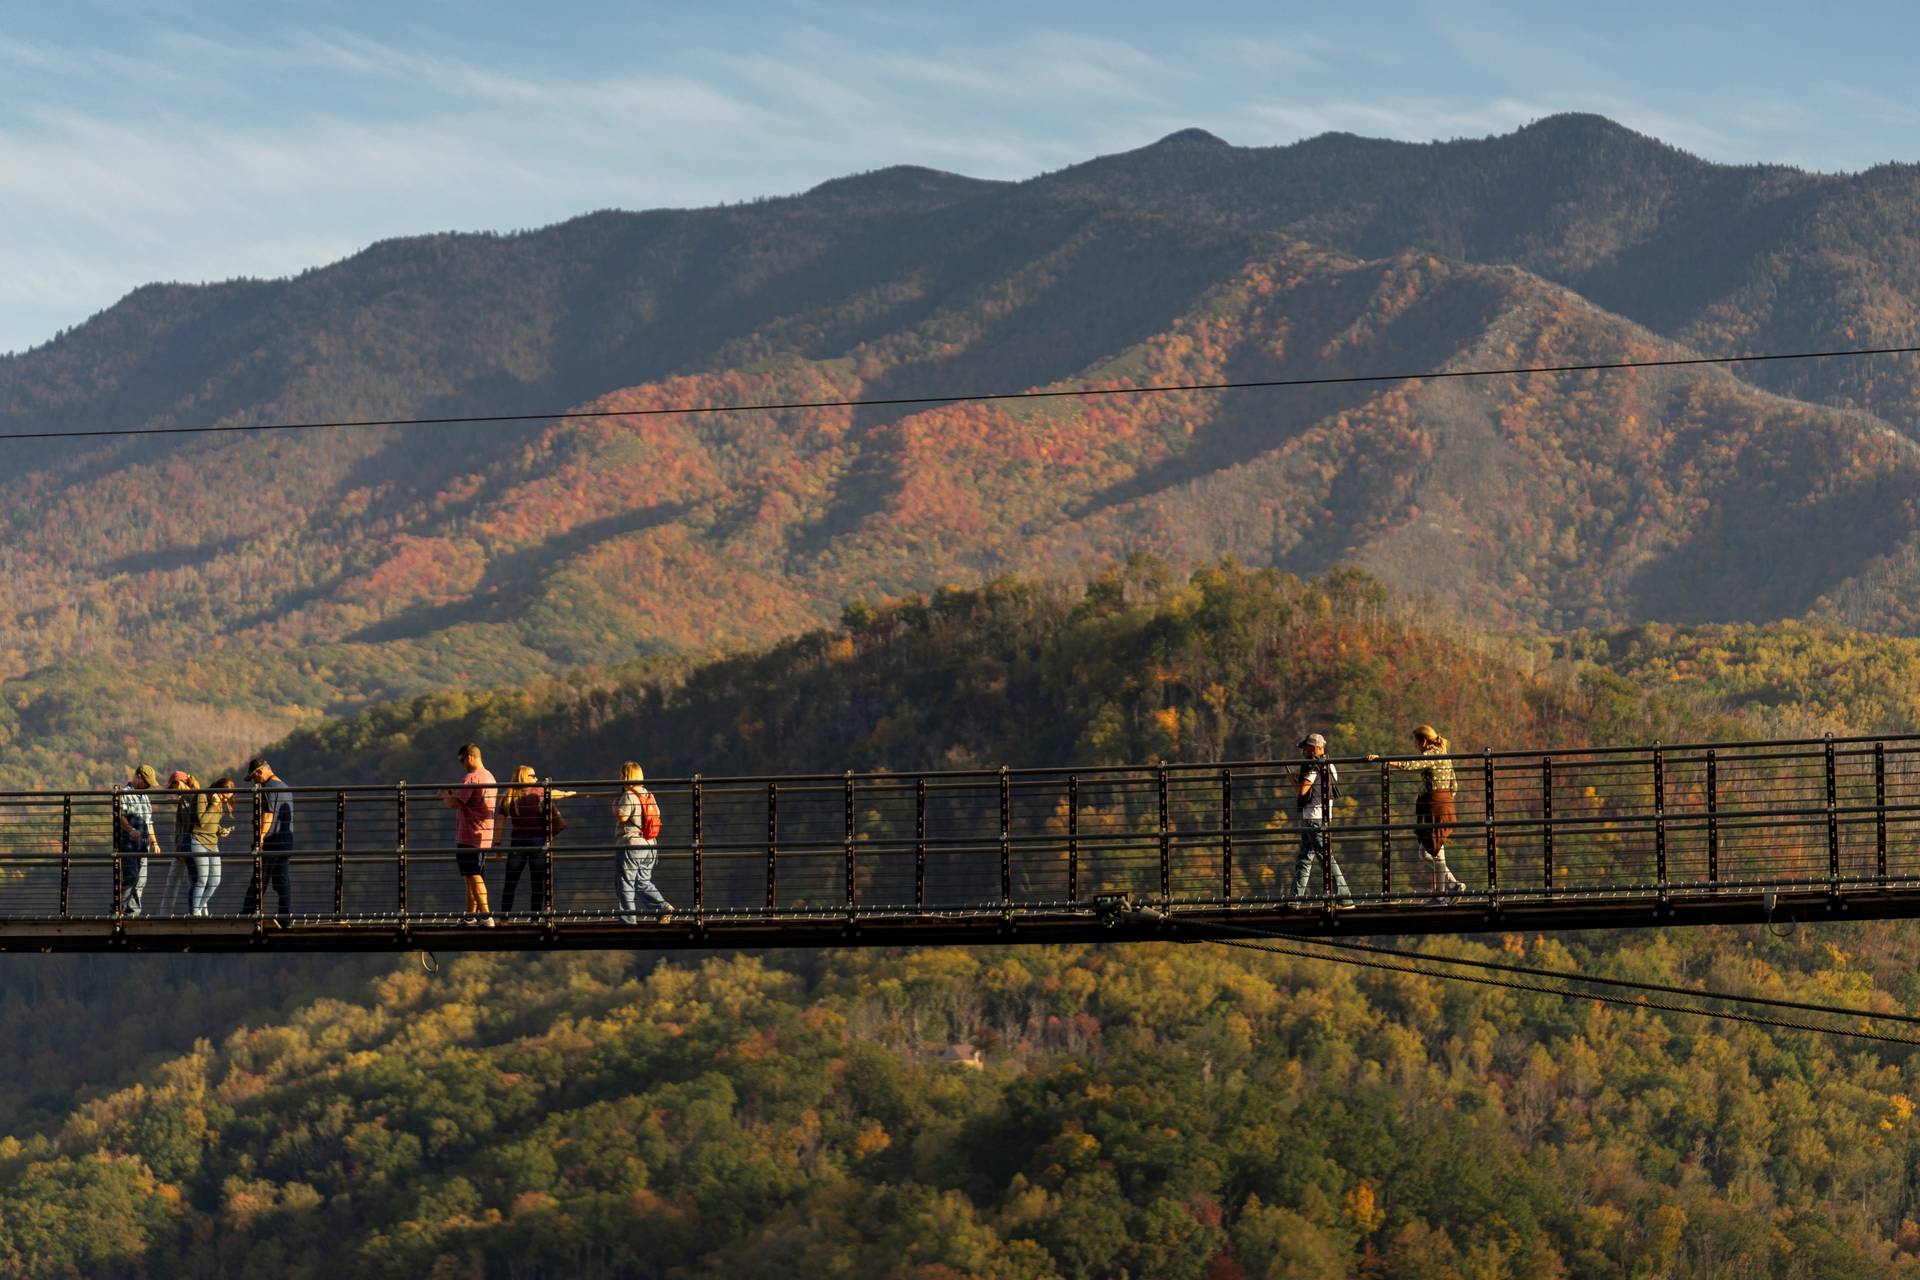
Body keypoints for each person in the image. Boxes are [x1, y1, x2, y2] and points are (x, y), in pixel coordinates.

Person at [1369, 724, 1466, 900]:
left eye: (1416, 742)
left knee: (1436, 851)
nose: (1415, 746)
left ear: (1424, 741)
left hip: (1434, 804)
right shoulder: (1444, 754)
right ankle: (1453, 885)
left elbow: (1409, 764)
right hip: (1442, 803)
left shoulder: (1431, 755)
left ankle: (1440, 897)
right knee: (1426, 852)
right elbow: (1454, 785)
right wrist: (1444, 800)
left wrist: (1384, 760)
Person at [497, 765, 577, 917]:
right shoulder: (539, 792)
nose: (536, 778)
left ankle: (504, 918)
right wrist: (568, 794)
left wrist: (497, 845)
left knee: (510, 882)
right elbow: (553, 793)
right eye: (532, 776)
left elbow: (500, 822)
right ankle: (535, 918)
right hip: (537, 842)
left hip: (517, 843)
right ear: (524, 777)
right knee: (537, 882)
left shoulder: (508, 796)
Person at [1291, 733, 1353, 908]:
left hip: (1314, 818)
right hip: (1319, 817)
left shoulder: (1313, 766)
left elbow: (1302, 790)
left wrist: (1291, 780)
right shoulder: (1329, 765)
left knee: (1324, 857)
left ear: (1315, 749)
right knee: (1305, 858)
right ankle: (1294, 900)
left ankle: (1345, 898)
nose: (1303, 752)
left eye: (1305, 748)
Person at [440, 742, 497, 927]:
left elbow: (454, 803)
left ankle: (486, 915)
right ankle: (470, 917)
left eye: (462, 760)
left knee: (473, 875)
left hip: (469, 834)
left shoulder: (471, 778)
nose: (462, 764)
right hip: (484, 834)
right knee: (471, 875)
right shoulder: (490, 777)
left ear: (470, 757)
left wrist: (444, 795)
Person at [615, 761, 672, 923]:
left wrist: (615, 807)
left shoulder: (629, 795)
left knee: (625, 882)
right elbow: (657, 815)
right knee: (642, 881)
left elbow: (623, 816)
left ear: (627, 776)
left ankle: (628, 920)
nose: (619, 778)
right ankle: (662, 908)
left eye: (621, 775)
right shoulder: (648, 794)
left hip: (632, 844)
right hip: (650, 844)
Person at [241, 757, 295, 925]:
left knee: (259, 879)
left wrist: (260, 838)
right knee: (282, 881)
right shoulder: (285, 787)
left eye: (254, 777)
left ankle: (246, 915)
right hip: (285, 841)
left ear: (260, 771)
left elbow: (268, 815)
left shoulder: (269, 787)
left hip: (271, 841)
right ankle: (285, 917)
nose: (254, 782)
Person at [113, 764, 161, 917]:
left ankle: (133, 913)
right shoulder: (124, 794)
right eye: (147, 783)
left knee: (141, 880)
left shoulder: (145, 797)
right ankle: (117, 909)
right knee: (131, 876)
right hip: (128, 844)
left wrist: (154, 842)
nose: (148, 786)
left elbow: (149, 822)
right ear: (139, 777)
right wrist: (131, 830)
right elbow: (120, 816)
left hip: (143, 845)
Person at [187, 777, 236, 917]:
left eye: (227, 799)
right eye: (224, 796)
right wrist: (213, 805)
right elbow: (201, 821)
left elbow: (212, 821)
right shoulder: (202, 796)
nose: (224, 800)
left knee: (214, 881)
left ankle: (197, 908)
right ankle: (195, 913)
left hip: (213, 843)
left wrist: (220, 830)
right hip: (198, 840)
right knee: (201, 880)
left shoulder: (218, 801)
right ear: (218, 788)